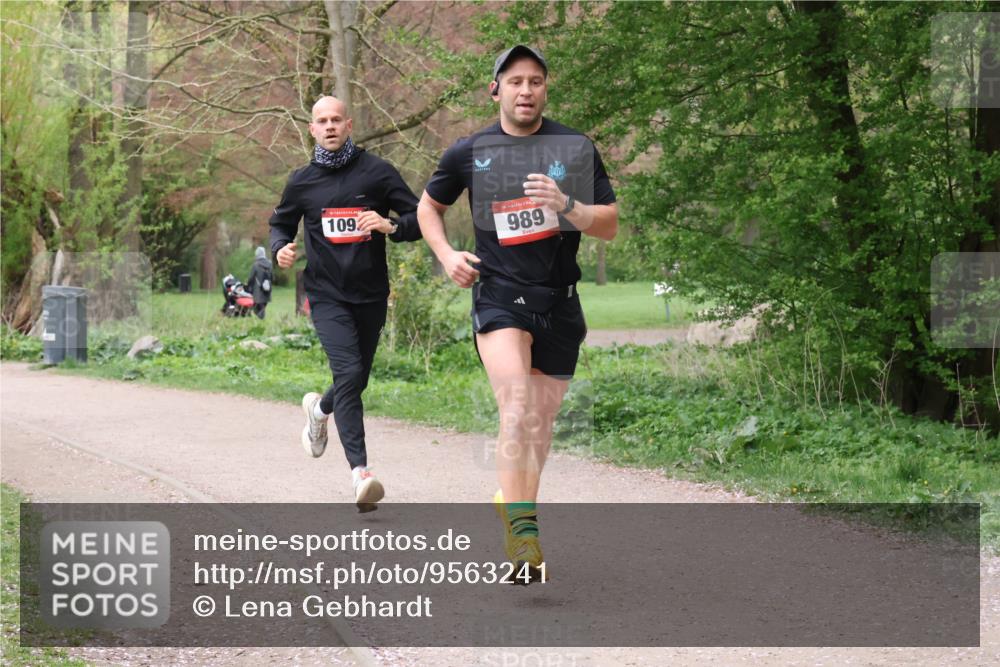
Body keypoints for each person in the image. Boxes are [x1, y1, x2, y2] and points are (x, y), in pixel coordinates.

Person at [417, 45, 618, 581]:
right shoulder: (470, 151)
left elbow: (610, 224)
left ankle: (513, 500)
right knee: (516, 404)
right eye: (515, 81)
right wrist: (446, 255)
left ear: (545, 89)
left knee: (540, 425)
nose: (526, 91)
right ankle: (524, 538)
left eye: (535, 82)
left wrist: (567, 207)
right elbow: (428, 206)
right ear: (496, 89)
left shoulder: (574, 147)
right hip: (500, 295)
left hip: (560, 302)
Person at [270, 95, 422, 511]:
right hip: (325, 294)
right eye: (323, 120)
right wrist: (281, 247)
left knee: (357, 378)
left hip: (371, 294)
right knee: (350, 371)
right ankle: (361, 474)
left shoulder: (377, 173)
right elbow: (280, 224)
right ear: (312, 129)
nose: (331, 126)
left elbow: (419, 219)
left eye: (337, 119)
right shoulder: (302, 181)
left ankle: (319, 410)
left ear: (349, 125)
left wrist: (390, 225)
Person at [246, 246, 273, 319]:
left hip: (258, 291)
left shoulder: (256, 265)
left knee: (257, 307)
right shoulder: (270, 264)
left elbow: (251, 278)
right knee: (262, 306)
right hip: (267, 289)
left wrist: (248, 287)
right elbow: (272, 277)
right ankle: (261, 318)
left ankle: (261, 319)